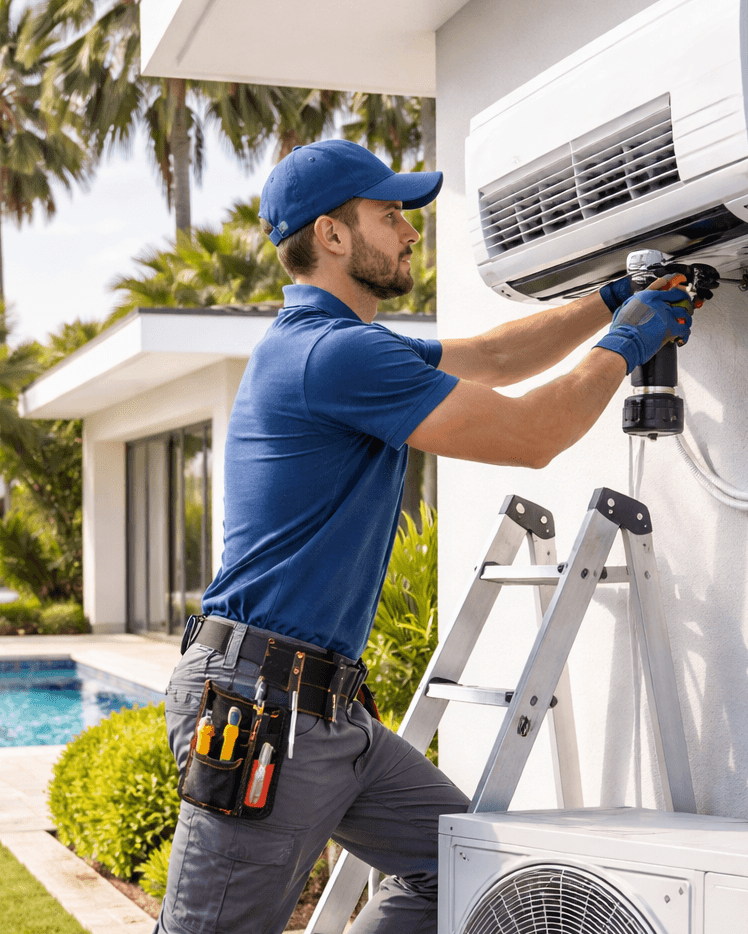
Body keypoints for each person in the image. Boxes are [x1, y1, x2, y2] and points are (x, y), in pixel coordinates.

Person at [154, 140, 695, 934]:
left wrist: (609, 301)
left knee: (464, 871)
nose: (410, 232)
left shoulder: (344, 346)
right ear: (332, 236)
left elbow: (496, 357)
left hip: (327, 708)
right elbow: (534, 431)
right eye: (390, 214)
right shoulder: (330, 355)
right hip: (264, 706)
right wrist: (629, 342)